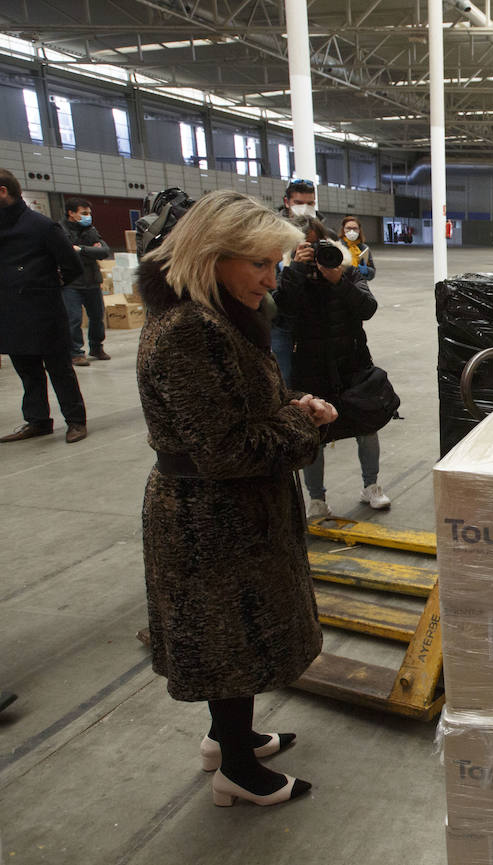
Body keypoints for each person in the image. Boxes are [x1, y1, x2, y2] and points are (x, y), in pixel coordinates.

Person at [136, 189, 336, 808]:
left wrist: (289, 410)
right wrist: (304, 425)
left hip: (234, 517)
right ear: (212, 255)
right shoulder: (189, 331)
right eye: (259, 265)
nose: (270, 279)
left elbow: (236, 415)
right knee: (231, 641)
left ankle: (232, 739)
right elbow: (226, 450)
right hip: (211, 521)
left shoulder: (216, 318)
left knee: (239, 638)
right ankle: (238, 772)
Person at [275, 216, 391, 518]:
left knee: (367, 426)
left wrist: (337, 280)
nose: (315, 253)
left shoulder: (348, 274)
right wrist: (297, 270)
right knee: (315, 431)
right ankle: (317, 498)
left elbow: (369, 308)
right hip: (311, 367)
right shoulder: (292, 277)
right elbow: (281, 310)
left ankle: (372, 485)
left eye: (318, 245)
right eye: (307, 247)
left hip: (353, 364)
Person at [0, 168, 89, 444]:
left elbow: (72, 266)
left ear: (3, 191)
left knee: (59, 368)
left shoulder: (41, 226)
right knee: (27, 371)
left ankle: (75, 421)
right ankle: (37, 421)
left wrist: (48, 286)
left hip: (44, 310)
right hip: (10, 311)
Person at [271, 179, 322, 382]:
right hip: (282, 321)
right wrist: (295, 266)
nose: (305, 209)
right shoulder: (272, 235)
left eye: (310, 204)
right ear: (287, 202)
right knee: (284, 378)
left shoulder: (322, 233)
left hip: (314, 319)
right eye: (299, 203)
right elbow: (271, 286)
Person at [62, 196, 112, 365]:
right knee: (74, 319)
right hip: (71, 283)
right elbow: (67, 254)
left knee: (97, 316)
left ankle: (96, 347)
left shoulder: (91, 230)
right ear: (71, 213)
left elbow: (104, 251)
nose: (88, 216)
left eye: (89, 213)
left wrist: (81, 250)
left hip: (92, 281)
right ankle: (76, 352)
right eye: (83, 213)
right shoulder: (61, 230)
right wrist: (90, 251)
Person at [338, 215, 375, 281]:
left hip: (359, 284)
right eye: (348, 228)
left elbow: (372, 272)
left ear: (359, 230)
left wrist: (367, 271)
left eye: (355, 228)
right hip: (341, 284)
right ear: (343, 229)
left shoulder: (364, 248)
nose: (351, 231)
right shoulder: (337, 246)